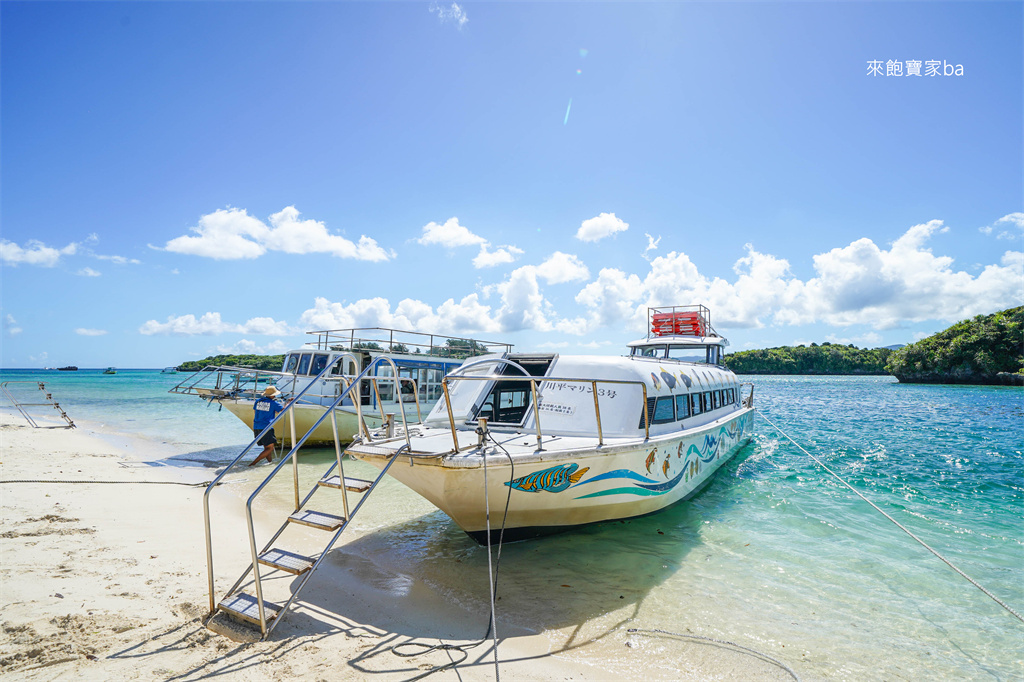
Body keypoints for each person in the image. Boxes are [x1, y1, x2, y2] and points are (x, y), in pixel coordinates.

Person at [250, 385, 286, 466]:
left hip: (256, 427)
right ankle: (253, 464)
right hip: (266, 427)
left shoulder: (258, 401)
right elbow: (284, 410)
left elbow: (256, 412)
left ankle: (270, 463)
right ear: (273, 395)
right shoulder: (273, 403)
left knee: (266, 448)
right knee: (270, 448)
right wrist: (288, 403)